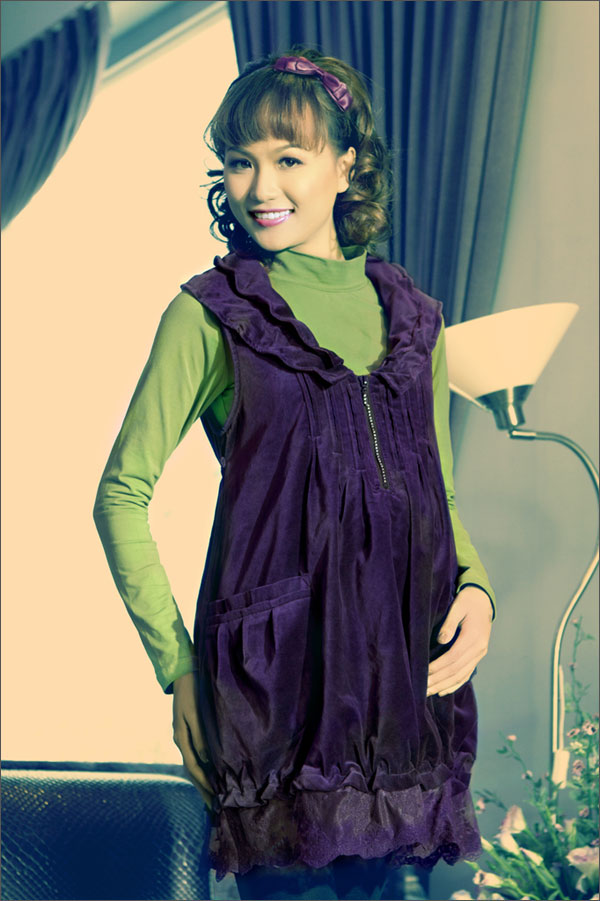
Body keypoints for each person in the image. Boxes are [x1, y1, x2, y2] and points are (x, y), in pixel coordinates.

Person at [93, 47, 496, 901]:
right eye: (240, 161)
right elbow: (121, 494)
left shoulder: (417, 320)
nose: (261, 187)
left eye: (289, 158)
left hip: (406, 684)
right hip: (278, 695)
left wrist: (477, 587)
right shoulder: (209, 315)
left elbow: (438, 488)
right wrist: (179, 668)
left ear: (346, 166)